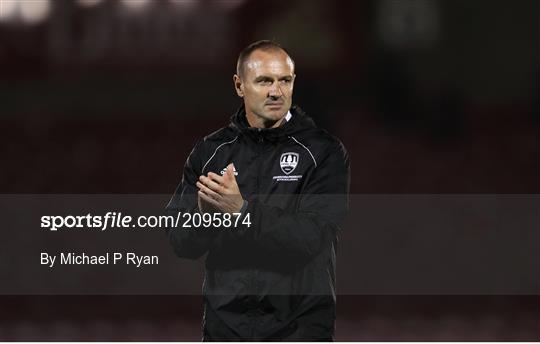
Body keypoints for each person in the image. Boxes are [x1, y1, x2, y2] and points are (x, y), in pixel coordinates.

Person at [165, 40, 350, 341]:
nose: (276, 91)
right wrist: (204, 217)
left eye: (284, 80)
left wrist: (241, 212)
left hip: (299, 331)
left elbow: (311, 237)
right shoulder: (211, 152)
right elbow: (180, 241)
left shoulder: (324, 153)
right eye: (264, 81)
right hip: (226, 331)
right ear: (239, 85)